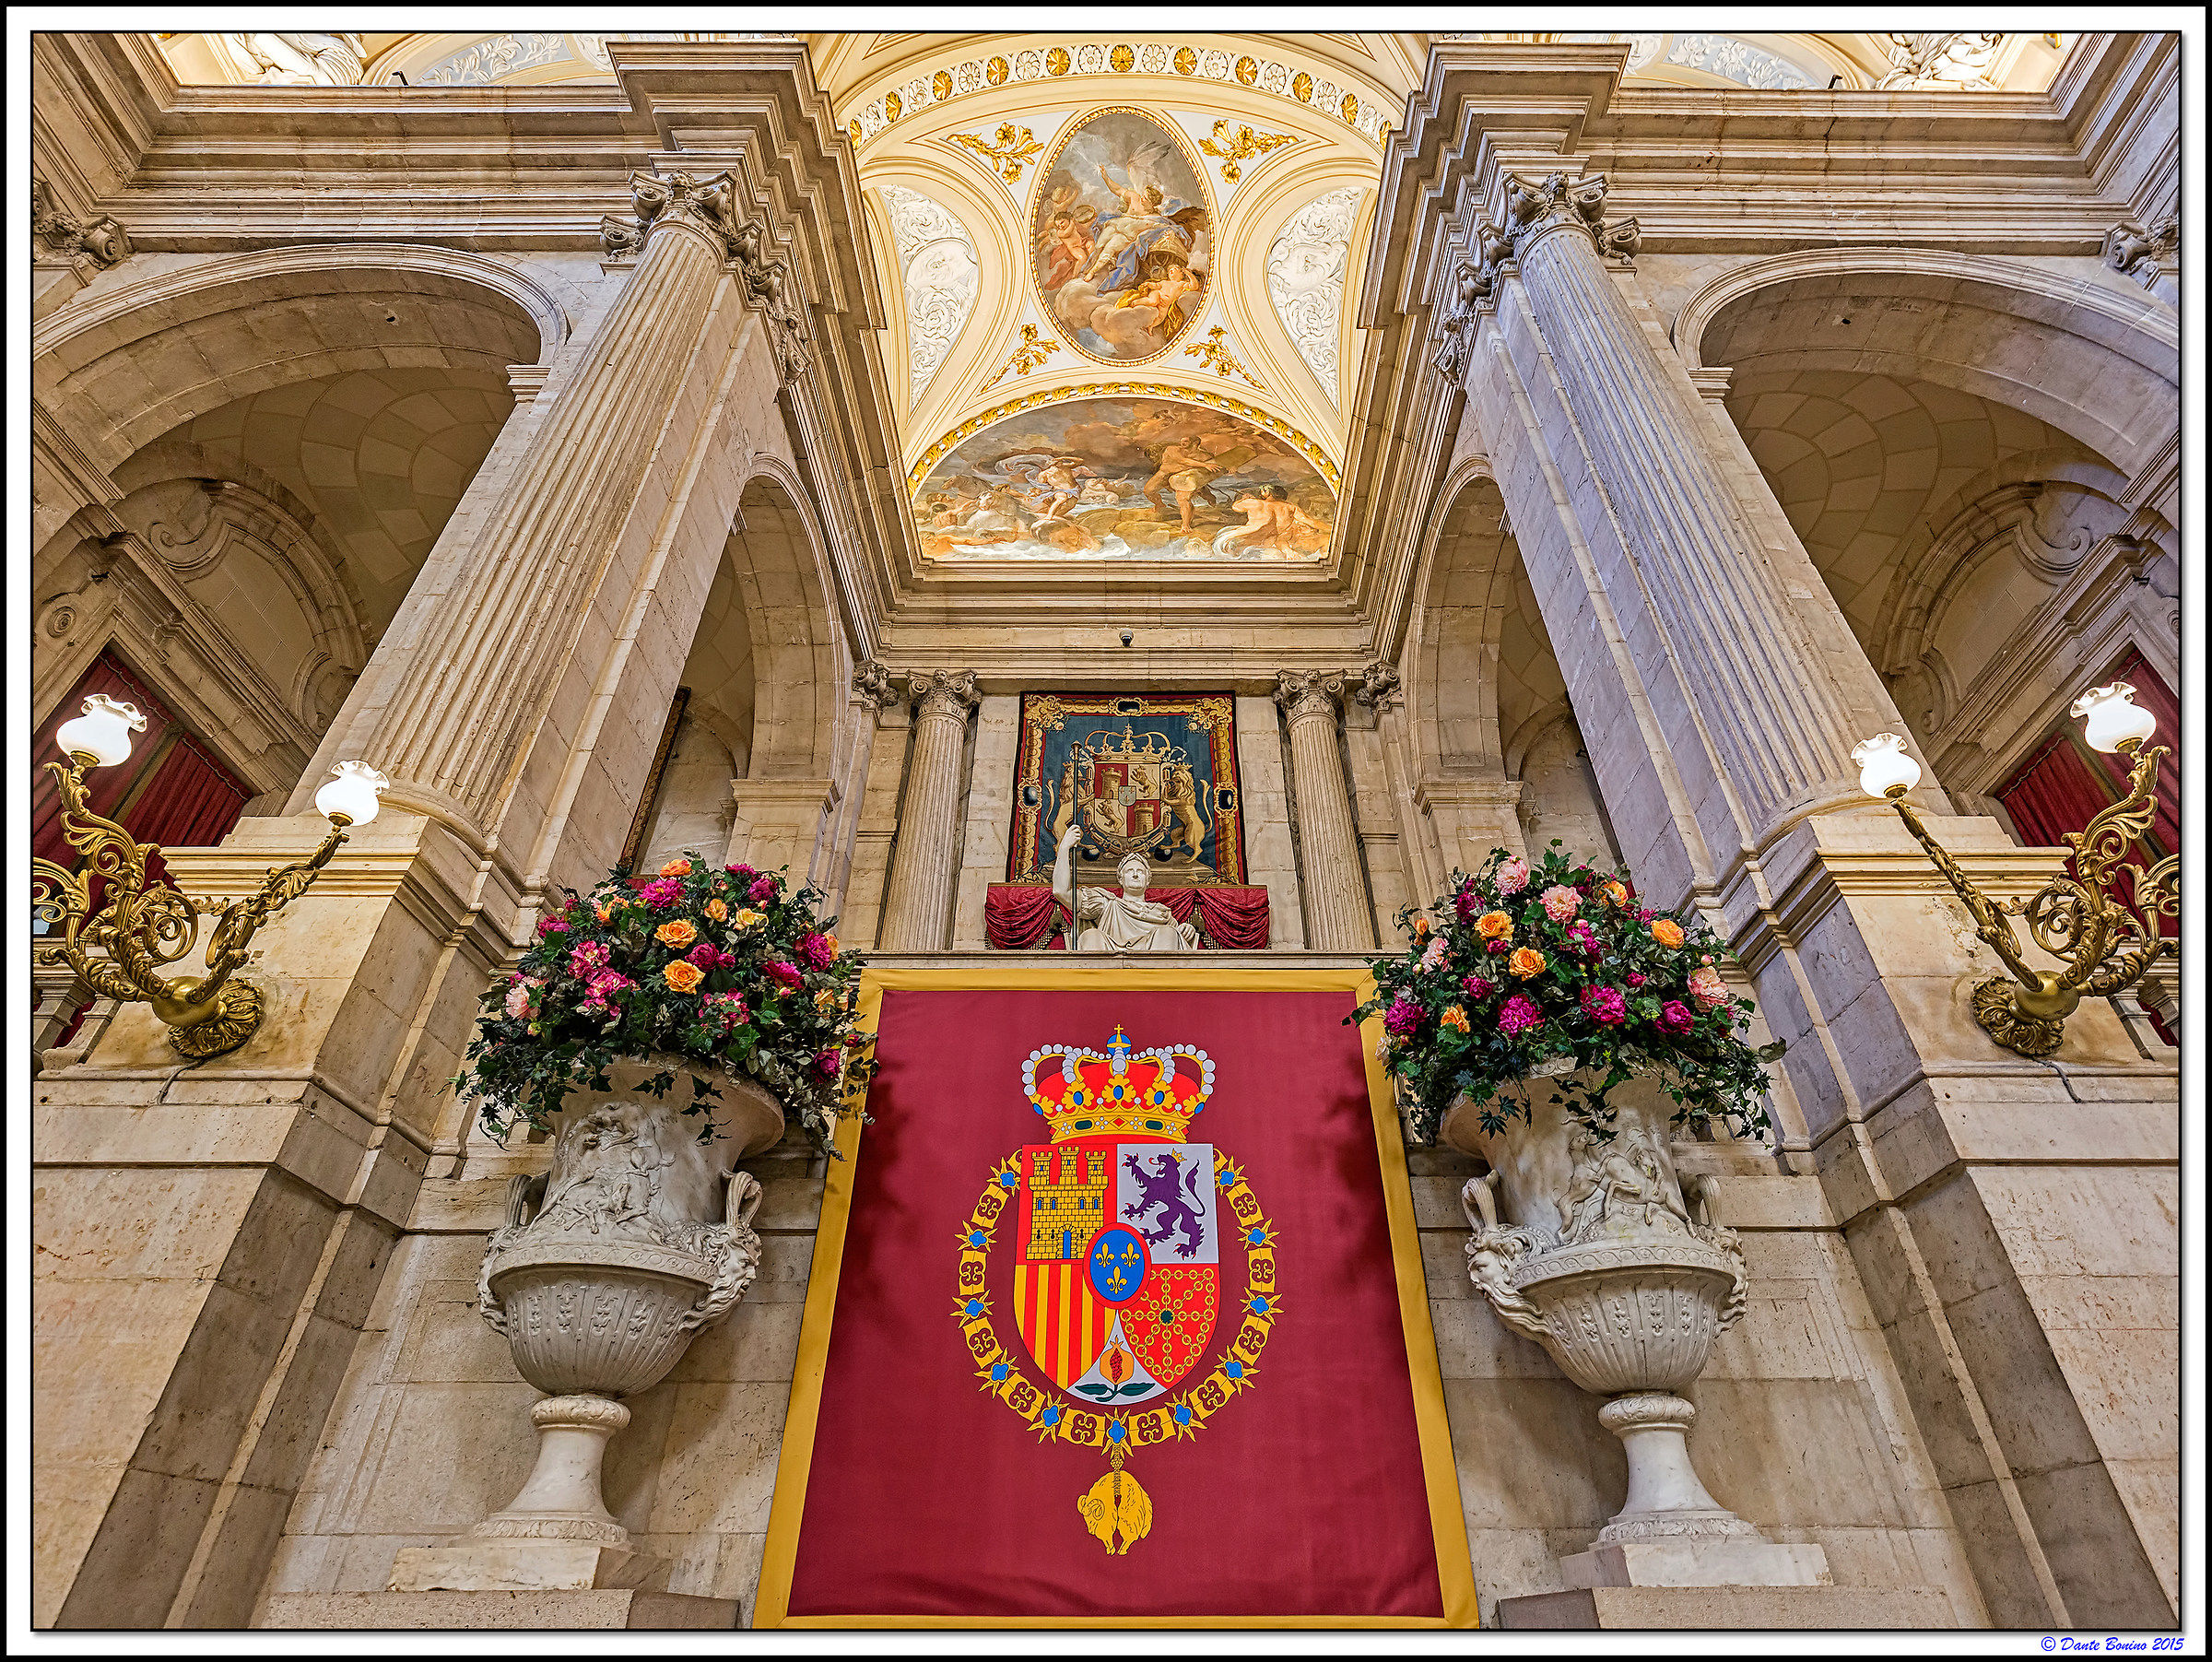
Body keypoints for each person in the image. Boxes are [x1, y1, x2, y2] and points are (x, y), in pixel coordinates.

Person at [1052, 824, 1199, 952]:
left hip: (1152, 967)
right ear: (1121, 879)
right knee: (1090, 935)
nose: (1135, 875)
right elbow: (1061, 892)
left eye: (1140, 872)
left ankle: (1155, 980)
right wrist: (1064, 847)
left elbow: (1177, 939)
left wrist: (1185, 930)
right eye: (1130, 871)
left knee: (1168, 933)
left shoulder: (1161, 913)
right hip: (1109, 959)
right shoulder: (1107, 904)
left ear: (1148, 880)